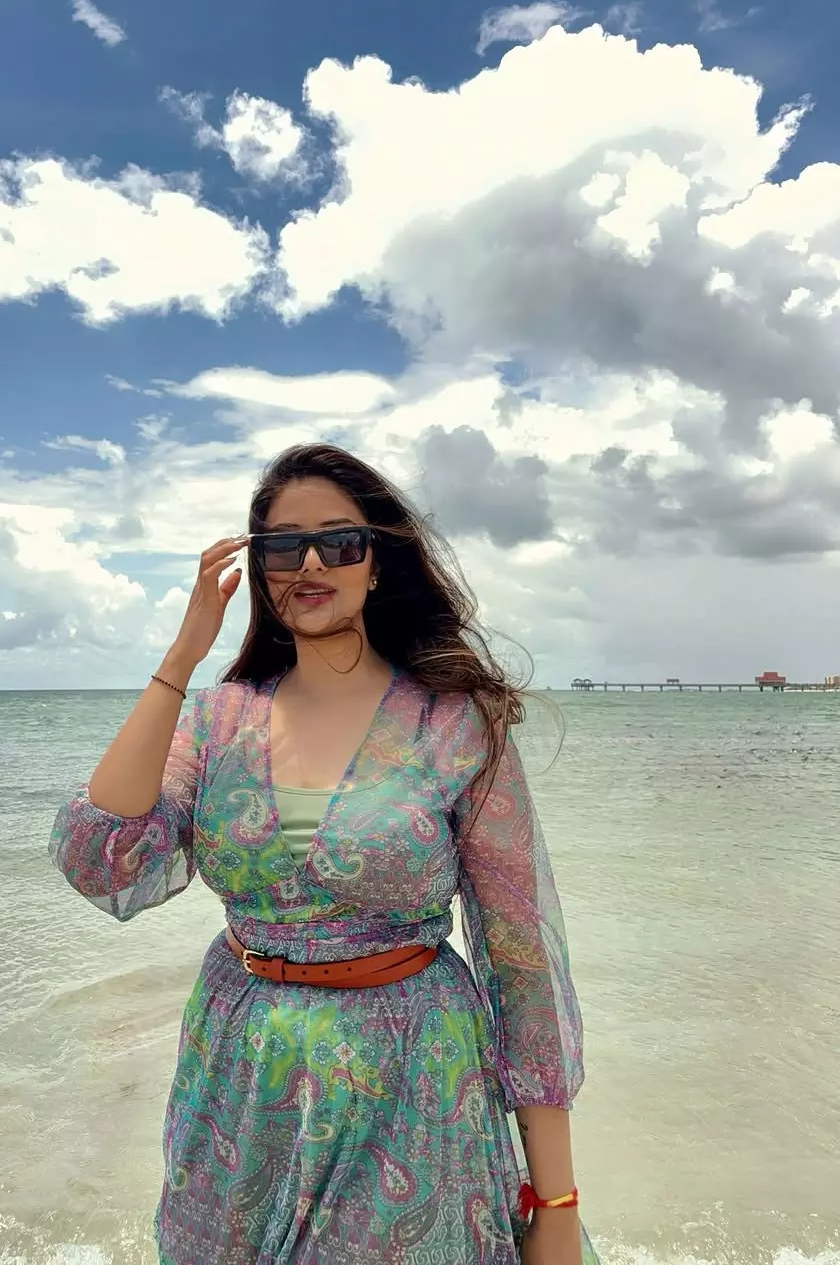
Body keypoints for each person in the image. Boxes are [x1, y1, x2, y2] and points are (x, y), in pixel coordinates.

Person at [50, 442, 600, 1265]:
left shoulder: (453, 721)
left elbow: (520, 956)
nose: (310, 564)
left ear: (376, 563)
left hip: (413, 1074)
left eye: (339, 542)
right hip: (238, 1075)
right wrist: (180, 659)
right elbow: (106, 859)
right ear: (260, 568)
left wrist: (554, 1200)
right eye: (283, 546)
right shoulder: (218, 719)